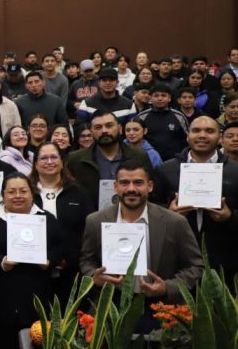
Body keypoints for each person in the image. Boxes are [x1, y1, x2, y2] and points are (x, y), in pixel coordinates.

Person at [79, 160, 203, 320]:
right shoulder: (95, 221)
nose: (131, 189)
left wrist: (166, 287)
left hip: (161, 308)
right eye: (124, 183)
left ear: (150, 186)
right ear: (115, 187)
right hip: (111, 306)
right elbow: (86, 261)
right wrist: (94, 278)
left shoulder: (175, 222)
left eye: (138, 183)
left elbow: (196, 266)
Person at [0, 173, 65, 348]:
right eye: (11, 192)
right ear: (3, 195)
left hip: (36, 294)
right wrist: (0, 261)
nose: (17, 196)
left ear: (32, 194)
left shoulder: (46, 218)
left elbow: (61, 246)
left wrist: (49, 261)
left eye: (23, 191)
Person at [150, 116, 238, 282]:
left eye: (209, 131)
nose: (202, 135)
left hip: (225, 258)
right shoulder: (166, 169)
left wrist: (230, 216)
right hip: (178, 258)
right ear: (187, 136)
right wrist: (168, 213)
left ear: (219, 138)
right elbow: (151, 207)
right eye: (196, 130)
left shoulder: (235, 171)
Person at [29, 142, 94, 300]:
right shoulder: (26, 193)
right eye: (44, 158)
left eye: (54, 157)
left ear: (62, 162)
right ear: (35, 163)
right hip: (33, 270)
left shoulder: (77, 192)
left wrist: (67, 258)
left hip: (71, 270)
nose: (49, 162)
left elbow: (88, 231)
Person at [67, 111, 153, 211]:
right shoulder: (76, 159)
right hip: (91, 220)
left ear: (120, 129)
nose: (104, 131)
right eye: (98, 127)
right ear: (91, 132)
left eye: (109, 126)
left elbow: (151, 192)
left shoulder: (139, 156)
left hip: (133, 217)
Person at [138, 83, 189, 161]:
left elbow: (188, 139)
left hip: (174, 161)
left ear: (170, 98)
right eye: (156, 96)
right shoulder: (142, 116)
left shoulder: (179, 116)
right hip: (149, 160)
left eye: (163, 95)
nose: (160, 98)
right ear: (150, 98)